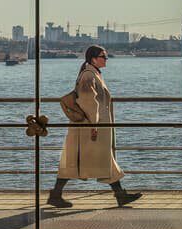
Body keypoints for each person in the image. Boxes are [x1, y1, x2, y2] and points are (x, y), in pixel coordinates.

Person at [48, 45, 140, 208]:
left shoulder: (93, 74)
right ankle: (56, 194)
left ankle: (120, 195)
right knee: (75, 161)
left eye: (105, 56)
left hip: (91, 127)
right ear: (93, 59)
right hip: (90, 128)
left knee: (95, 159)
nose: (106, 59)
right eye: (103, 56)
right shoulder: (89, 76)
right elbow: (88, 102)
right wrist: (94, 125)